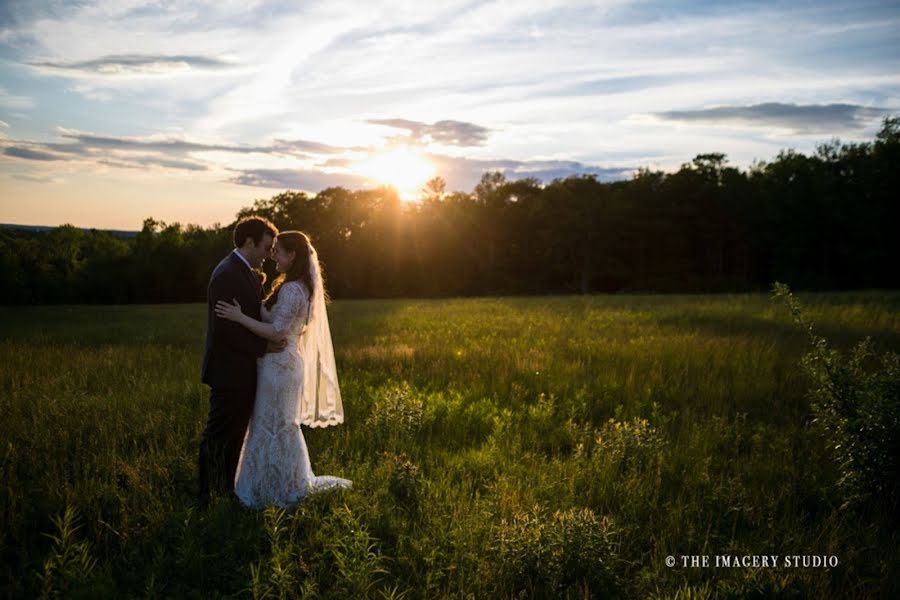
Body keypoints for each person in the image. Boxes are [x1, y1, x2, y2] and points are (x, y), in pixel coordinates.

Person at [214, 230, 351, 508]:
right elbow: (286, 326)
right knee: (273, 424)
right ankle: (277, 483)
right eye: (272, 249)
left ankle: (276, 487)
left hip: (279, 368)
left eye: (278, 250)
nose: (272, 255)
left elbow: (277, 332)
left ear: (293, 255)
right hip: (280, 365)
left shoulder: (291, 289)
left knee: (274, 425)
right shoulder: (297, 286)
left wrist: (240, 317)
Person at [198, 216, 284, 508]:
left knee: (233, 435)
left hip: (240, 369)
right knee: (219, 435)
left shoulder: (243, 270)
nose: (268, 255)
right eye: (266, 247)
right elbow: (226, 331)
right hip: (228, 370)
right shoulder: (227, 275)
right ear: (249, 242)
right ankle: (205, 497)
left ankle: (225, 492)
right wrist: (266, 346)